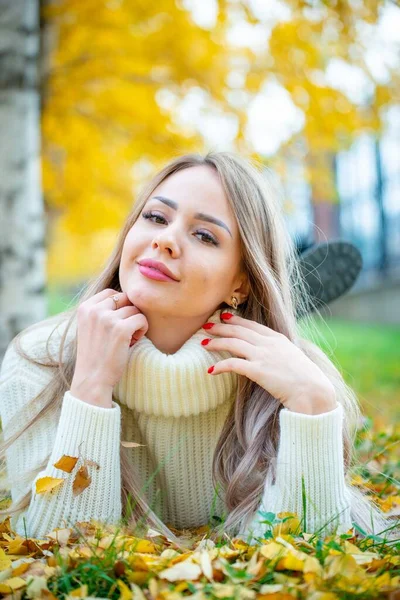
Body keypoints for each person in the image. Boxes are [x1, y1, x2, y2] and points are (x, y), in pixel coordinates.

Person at [0, 152, 393, 547]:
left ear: (240, 284)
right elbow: (61, 548)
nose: (165, 239)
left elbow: (311, 553)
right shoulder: (38, 360)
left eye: (205, 235)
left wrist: (312, 404)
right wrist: (91, 387)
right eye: (155, 217)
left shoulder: (294, 379)